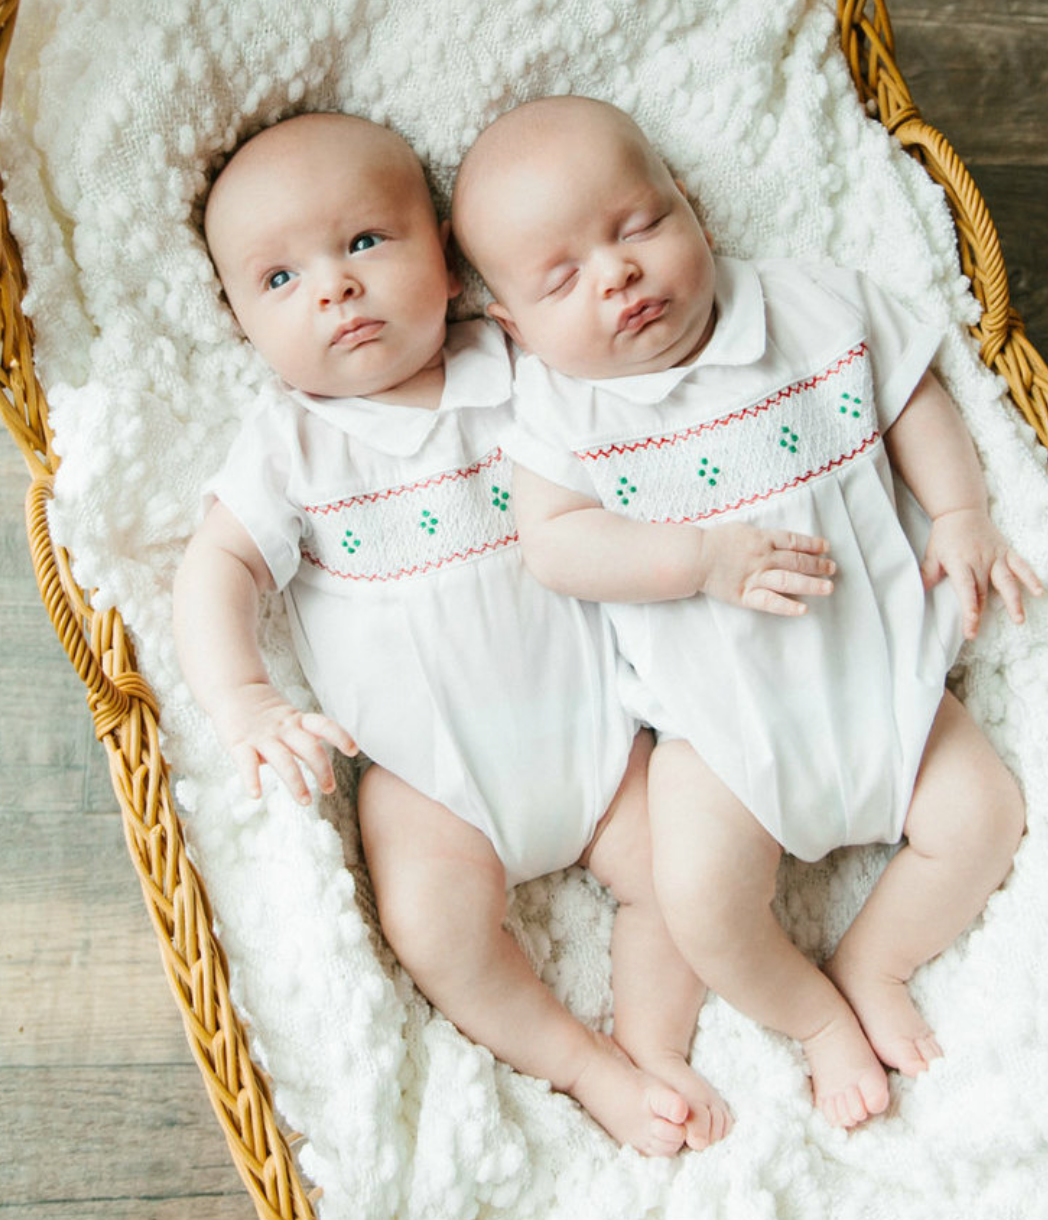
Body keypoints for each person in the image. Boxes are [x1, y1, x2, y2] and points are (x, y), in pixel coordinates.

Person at [451, 95, 1043, 1129]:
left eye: (638, 226)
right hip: (721, 738)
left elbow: (912, 399)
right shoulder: (560, 409)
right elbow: (554, 544)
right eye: (561, 278)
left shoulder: (810, 306)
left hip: (888, 687)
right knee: (703, 903)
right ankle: (815, 1017)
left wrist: (960, 512)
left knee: (983, 813)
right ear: (514, 326)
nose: (617, 272)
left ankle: (876, 958)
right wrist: (698, 559)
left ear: (697, 211)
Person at [172, 111, 732, 1155]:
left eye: (365, 242)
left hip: (605, 736)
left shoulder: (522, 371)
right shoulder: (289, 441)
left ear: (448, 255)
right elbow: (218, 568)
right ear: (240, 318)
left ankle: (654, 1047)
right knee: (432, 925)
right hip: (433, 782)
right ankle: (579, 1059)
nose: (333, 286)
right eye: (279, 279)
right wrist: (243, 698)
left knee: (690, 869)